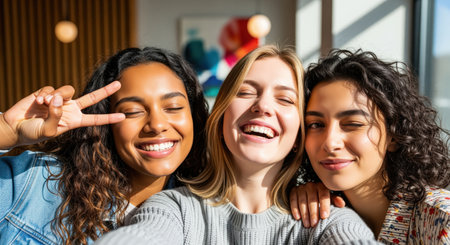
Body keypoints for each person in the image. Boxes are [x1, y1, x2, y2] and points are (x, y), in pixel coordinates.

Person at [96, 45, 378, 244]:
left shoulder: (325, 219)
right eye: (245, 92)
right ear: (220, 118)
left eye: (285, 99)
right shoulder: (173, 208)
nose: (263, 106)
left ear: (298, 136)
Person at [0, 47, 209, 244]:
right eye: (132, 111)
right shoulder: (35, 183)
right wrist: (6, 131)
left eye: (173, 107)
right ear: (105, 125)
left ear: (193, 116)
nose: (156, 125)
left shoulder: (206, 213)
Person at [290, 49, 450, 244]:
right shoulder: (319, 213)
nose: (330, 142)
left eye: (353, 124)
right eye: (315, 124)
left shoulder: (442, 221)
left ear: (393, 135)